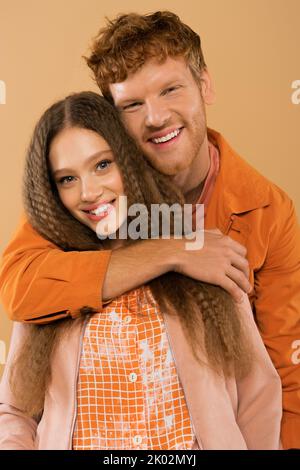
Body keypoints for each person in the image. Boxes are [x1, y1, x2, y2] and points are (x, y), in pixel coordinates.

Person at [0, 11, 299, 448]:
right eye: (132, 105)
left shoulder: (267, 211)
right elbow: (20, 287)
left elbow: (280, 377)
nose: (156, 117)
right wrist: (175, 251)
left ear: (205, 86)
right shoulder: (86, 202)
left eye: (171, 89)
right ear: (113, 122)